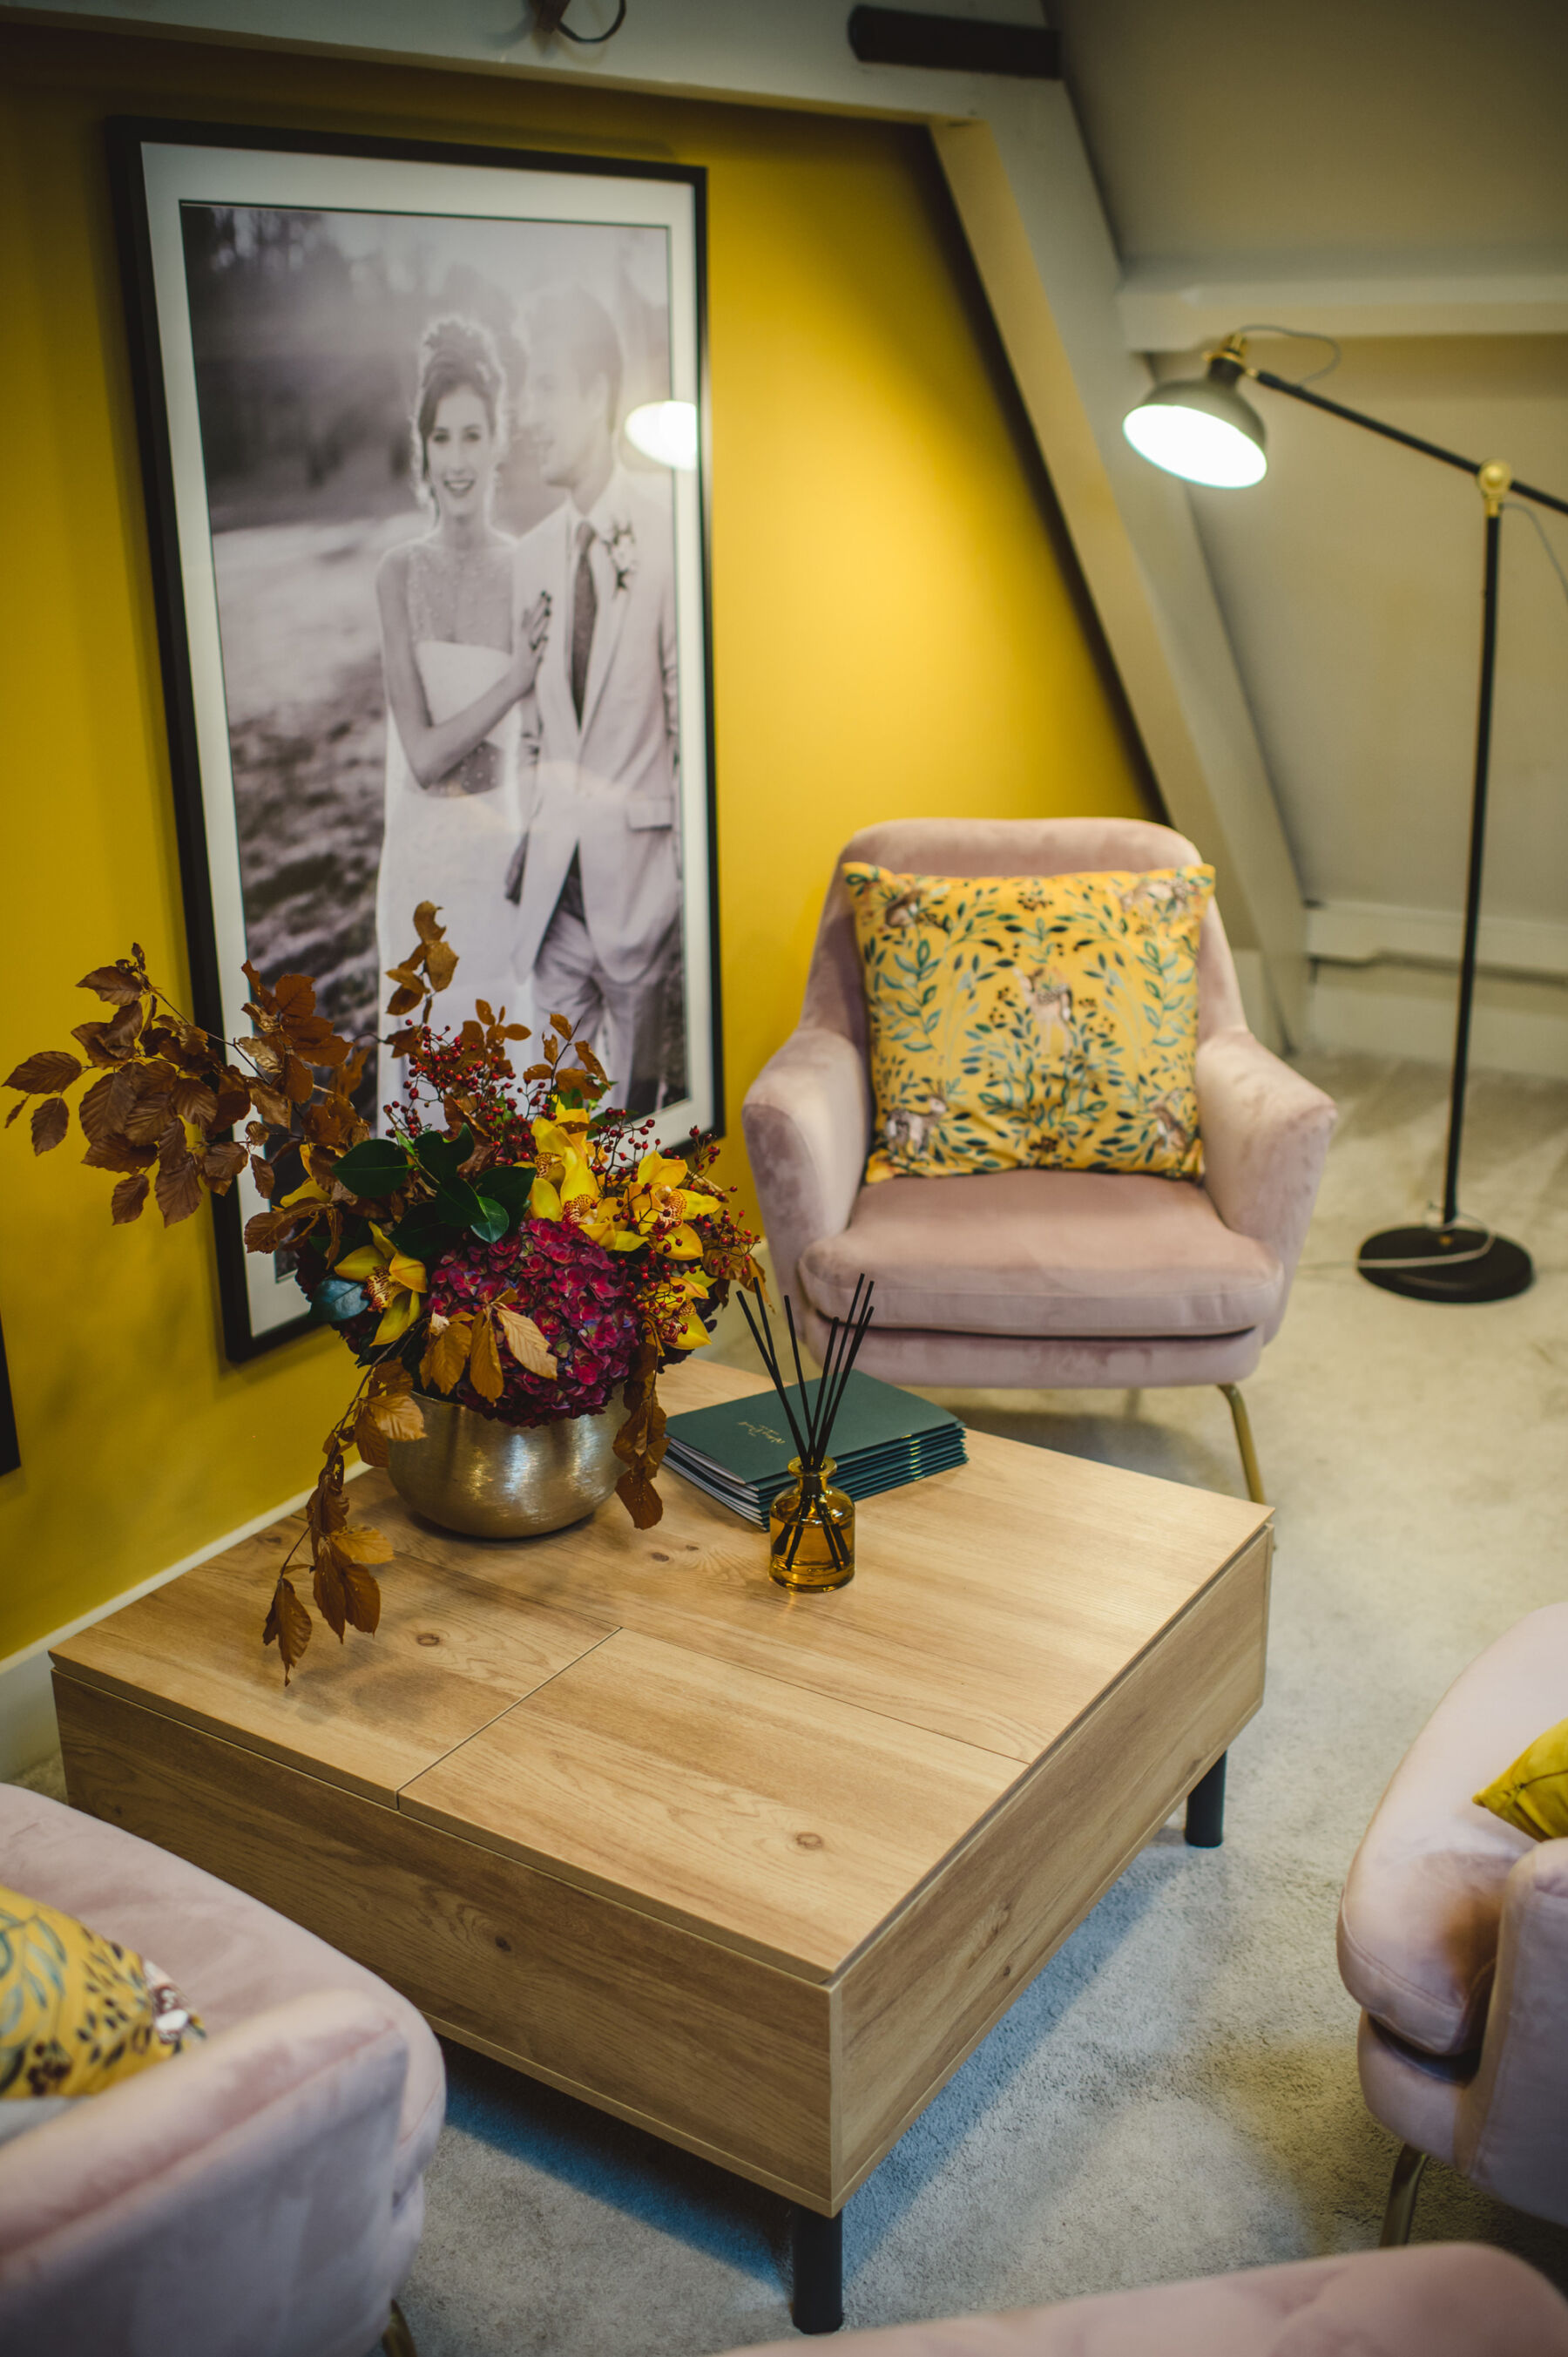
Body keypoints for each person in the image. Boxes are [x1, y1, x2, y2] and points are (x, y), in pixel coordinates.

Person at [507, 286, 682, 1114]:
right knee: (557, 1140)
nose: (527, 415)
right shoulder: (532, 556)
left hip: (643, 898)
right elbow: (536, 734)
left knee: (644, 1132)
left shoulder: (667, 532)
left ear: (598, 395)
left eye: (543, 388)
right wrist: (526, 835)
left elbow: (687, 726)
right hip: (556, 908)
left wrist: (682, 882)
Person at [375, 315, 549, 1114]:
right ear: (424, 447)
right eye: (442, 437)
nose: (458, 459)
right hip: (421, 869)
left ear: (498, 441)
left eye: (473, 435)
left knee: (503, 1096)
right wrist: (514, 680)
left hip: (501, 861)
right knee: (428, 1106)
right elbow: (420, 754)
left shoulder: (530, 570)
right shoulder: (398, 574)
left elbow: (552, 742)